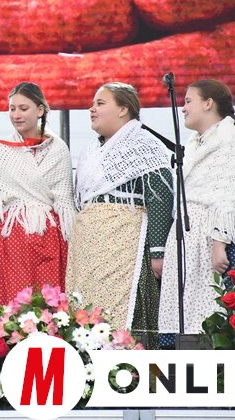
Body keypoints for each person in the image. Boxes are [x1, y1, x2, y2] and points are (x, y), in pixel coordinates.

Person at [158, 80, 235, 335]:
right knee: (186, 313)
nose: (183, 108)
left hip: (219, 237)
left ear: (208, 103)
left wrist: (220, 243)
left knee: (220, 311)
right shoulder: (195, 143)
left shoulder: (233, 138)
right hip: (190, 238)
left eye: (189, 101)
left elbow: (230, 193)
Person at [66, 82, 173, 349]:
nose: (92, 109)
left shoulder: (145, 146)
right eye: (93, 104)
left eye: (100, 103)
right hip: (89, 249)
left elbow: (159, 197)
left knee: (122, 317)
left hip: (126, 248)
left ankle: (126, 367)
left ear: (123, 109)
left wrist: (158, 252)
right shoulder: (91, 151)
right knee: (86, 313)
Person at [0, 82, 75, 306]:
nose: (16, 114)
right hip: (12, 240)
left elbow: (65, 204)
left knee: (50, 306)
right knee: (14, 306)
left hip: (50, 238)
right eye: (12, 108)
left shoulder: (58, 150)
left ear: (40, 110)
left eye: (23, 108)